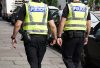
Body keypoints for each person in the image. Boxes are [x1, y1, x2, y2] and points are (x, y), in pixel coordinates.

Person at [11, 0, 57, 68]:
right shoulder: (45, 7)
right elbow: (52, 26)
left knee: (33, 63)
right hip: (43, 39)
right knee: (38, 62)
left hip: (30, 39)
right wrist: (54, 37)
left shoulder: (26, 6)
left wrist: (13, 37)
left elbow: (18, 25)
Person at [57, 0, 91, 68]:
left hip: (70, 36)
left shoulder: (69, 6)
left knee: (67, 58)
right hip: (81, 36)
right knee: (77, 60)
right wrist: (86, 36)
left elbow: (62, 23)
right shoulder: (85, 8)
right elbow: (89, 24)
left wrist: (59, 36)